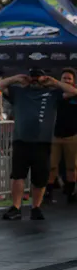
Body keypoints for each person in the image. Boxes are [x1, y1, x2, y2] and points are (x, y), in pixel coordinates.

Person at [0, 70, 77, 220]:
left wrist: (54, 82)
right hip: (21, 140)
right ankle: (16, 207)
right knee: (18, 176)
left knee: (40, 178)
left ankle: (36, 207)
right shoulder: (19, 92)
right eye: (32, 77)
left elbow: (73, 92)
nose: (34, 80)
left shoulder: (52, 94)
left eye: (37, 77)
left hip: (42, 141)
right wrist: (17, 78)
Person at [46, 68, 77, 203]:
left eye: (69, 78)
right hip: (55, 135)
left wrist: (57, 82)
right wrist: (57, 84)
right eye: (64, 78)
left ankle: (71, 192)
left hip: (72, 136)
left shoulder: (75, 92)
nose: (67, 80)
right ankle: (48, 192)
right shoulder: (56, 93)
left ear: (74, 81)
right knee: (52, 166)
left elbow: (73, 92)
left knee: (72, 167)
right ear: (61, 79)